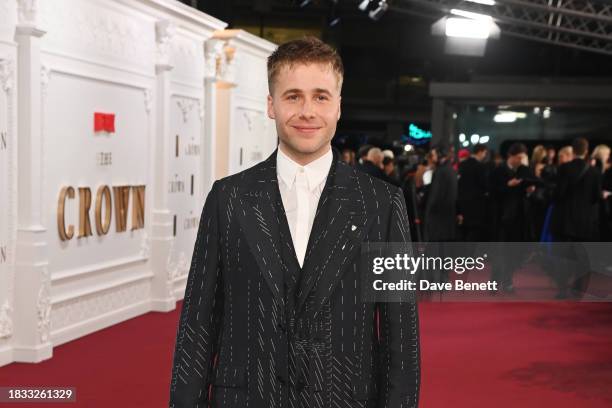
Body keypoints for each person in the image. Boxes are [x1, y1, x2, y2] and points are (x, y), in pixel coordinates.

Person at [169, 37, 420, 408]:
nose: (307, 111)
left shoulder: (382, 204)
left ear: (338, 106)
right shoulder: (228, 198)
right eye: (292, 96)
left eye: (321, 97)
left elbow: (402, 338)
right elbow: (198, 324)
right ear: (271, 105)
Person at [457, 144, 489, 242]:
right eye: (484, 153)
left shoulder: (462, 165)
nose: (484, 155)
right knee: (474, 233)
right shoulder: (480, 166)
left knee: (463, 232)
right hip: (476, 205)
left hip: (462, 203)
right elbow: (484, 185)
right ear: (480, 152)